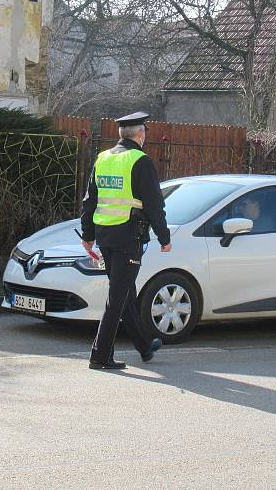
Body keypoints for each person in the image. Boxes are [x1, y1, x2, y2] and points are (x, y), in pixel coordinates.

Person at [80, 112, 172, 370]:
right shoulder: (140, 161)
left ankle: (144, 346)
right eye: (145, 132)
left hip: (105, 236)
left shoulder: (103, 158)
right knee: (117, 297)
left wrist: (87, 235)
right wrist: (164, 237)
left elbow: (90, 201)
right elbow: (154, 205)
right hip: (129, 237)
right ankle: (99, 356)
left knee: (125, 293)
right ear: (140, 135)